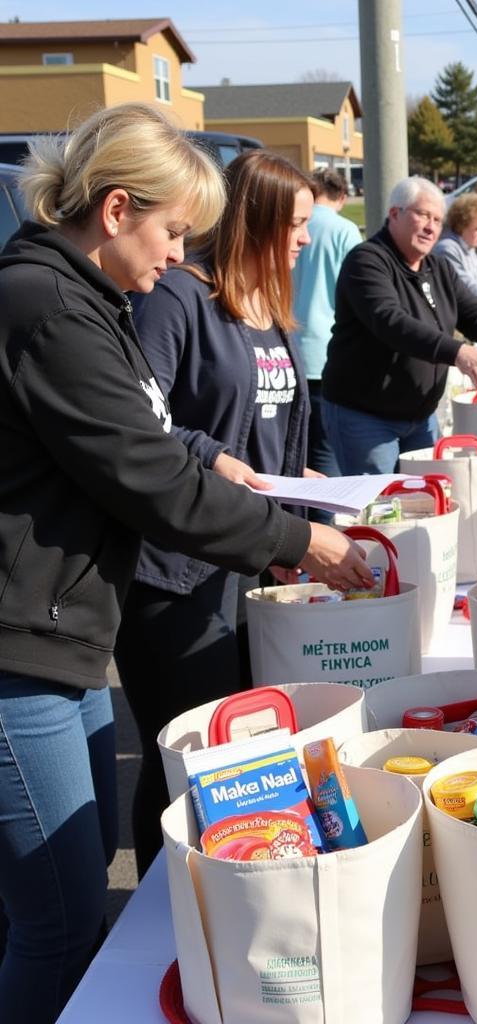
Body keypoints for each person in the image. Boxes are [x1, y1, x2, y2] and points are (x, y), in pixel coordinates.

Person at [0, 102, 371, 1024]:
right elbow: (144, 474)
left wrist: (215, 462)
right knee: (57, 918)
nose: (178, 257)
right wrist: (299, 540)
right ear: (117, 209)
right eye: (171, 232)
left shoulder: (91, 302)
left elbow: (154, 438)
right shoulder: (46, 304)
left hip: (67, 635)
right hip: (20, 647)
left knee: (66, 902)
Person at [113, 149, 324, 874]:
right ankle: (159, 906)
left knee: (233, 751)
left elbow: (276, 430)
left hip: (245, 566)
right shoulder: (178, 297)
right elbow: (139, 418)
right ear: (258, 219)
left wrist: (309, 489)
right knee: (181, 759)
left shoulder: (268, 308)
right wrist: (211, 454)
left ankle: (220, 893)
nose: (304, 237)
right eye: (295, 222)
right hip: (173, 571)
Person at [320, 176, 477, 475]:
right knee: (381, 507)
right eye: (422, 215)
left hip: (421, 416)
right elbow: (391, 322)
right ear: (395, 214)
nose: (431, 226)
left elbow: (473, 313)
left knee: (426, 505)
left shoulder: (438, 267)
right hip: (366, 417)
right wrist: (459, 353)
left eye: (437, 219)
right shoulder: (367, 261)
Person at [291, 167, 362, 506]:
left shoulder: (292, 227)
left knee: (289, 456)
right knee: (324, 458)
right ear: (343, 197)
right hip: (326, 354)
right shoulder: (345, 230)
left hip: (286, 350)